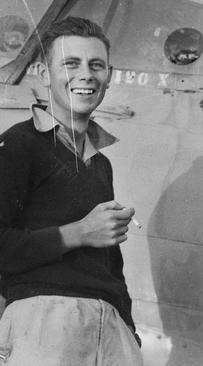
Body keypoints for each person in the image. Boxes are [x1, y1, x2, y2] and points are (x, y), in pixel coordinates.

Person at [0, 17, 142, 365]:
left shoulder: (101, 163)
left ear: (109, 75)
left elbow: (111, 262)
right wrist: (77, 233)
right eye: (70, 63)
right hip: (45, 324)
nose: (86, 75)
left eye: (96, 65)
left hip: (110, 330)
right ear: (45, 74)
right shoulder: (19, 144)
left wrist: (130, 331)